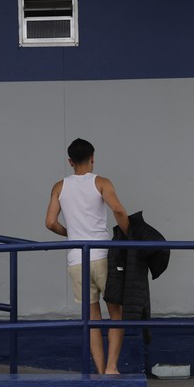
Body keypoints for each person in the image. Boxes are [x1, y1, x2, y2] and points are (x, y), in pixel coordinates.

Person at [45, 138, 129, 374]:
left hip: (76, 259)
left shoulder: (59, 187)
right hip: (102, 255)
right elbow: (119, 210)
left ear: (70, 161)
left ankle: (101, 371)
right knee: (116, 314)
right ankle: (112, 367)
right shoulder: (101, 182)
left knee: (92, 320)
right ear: (93, 157)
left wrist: (71, 234)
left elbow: (50, 222)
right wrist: (128, 234)